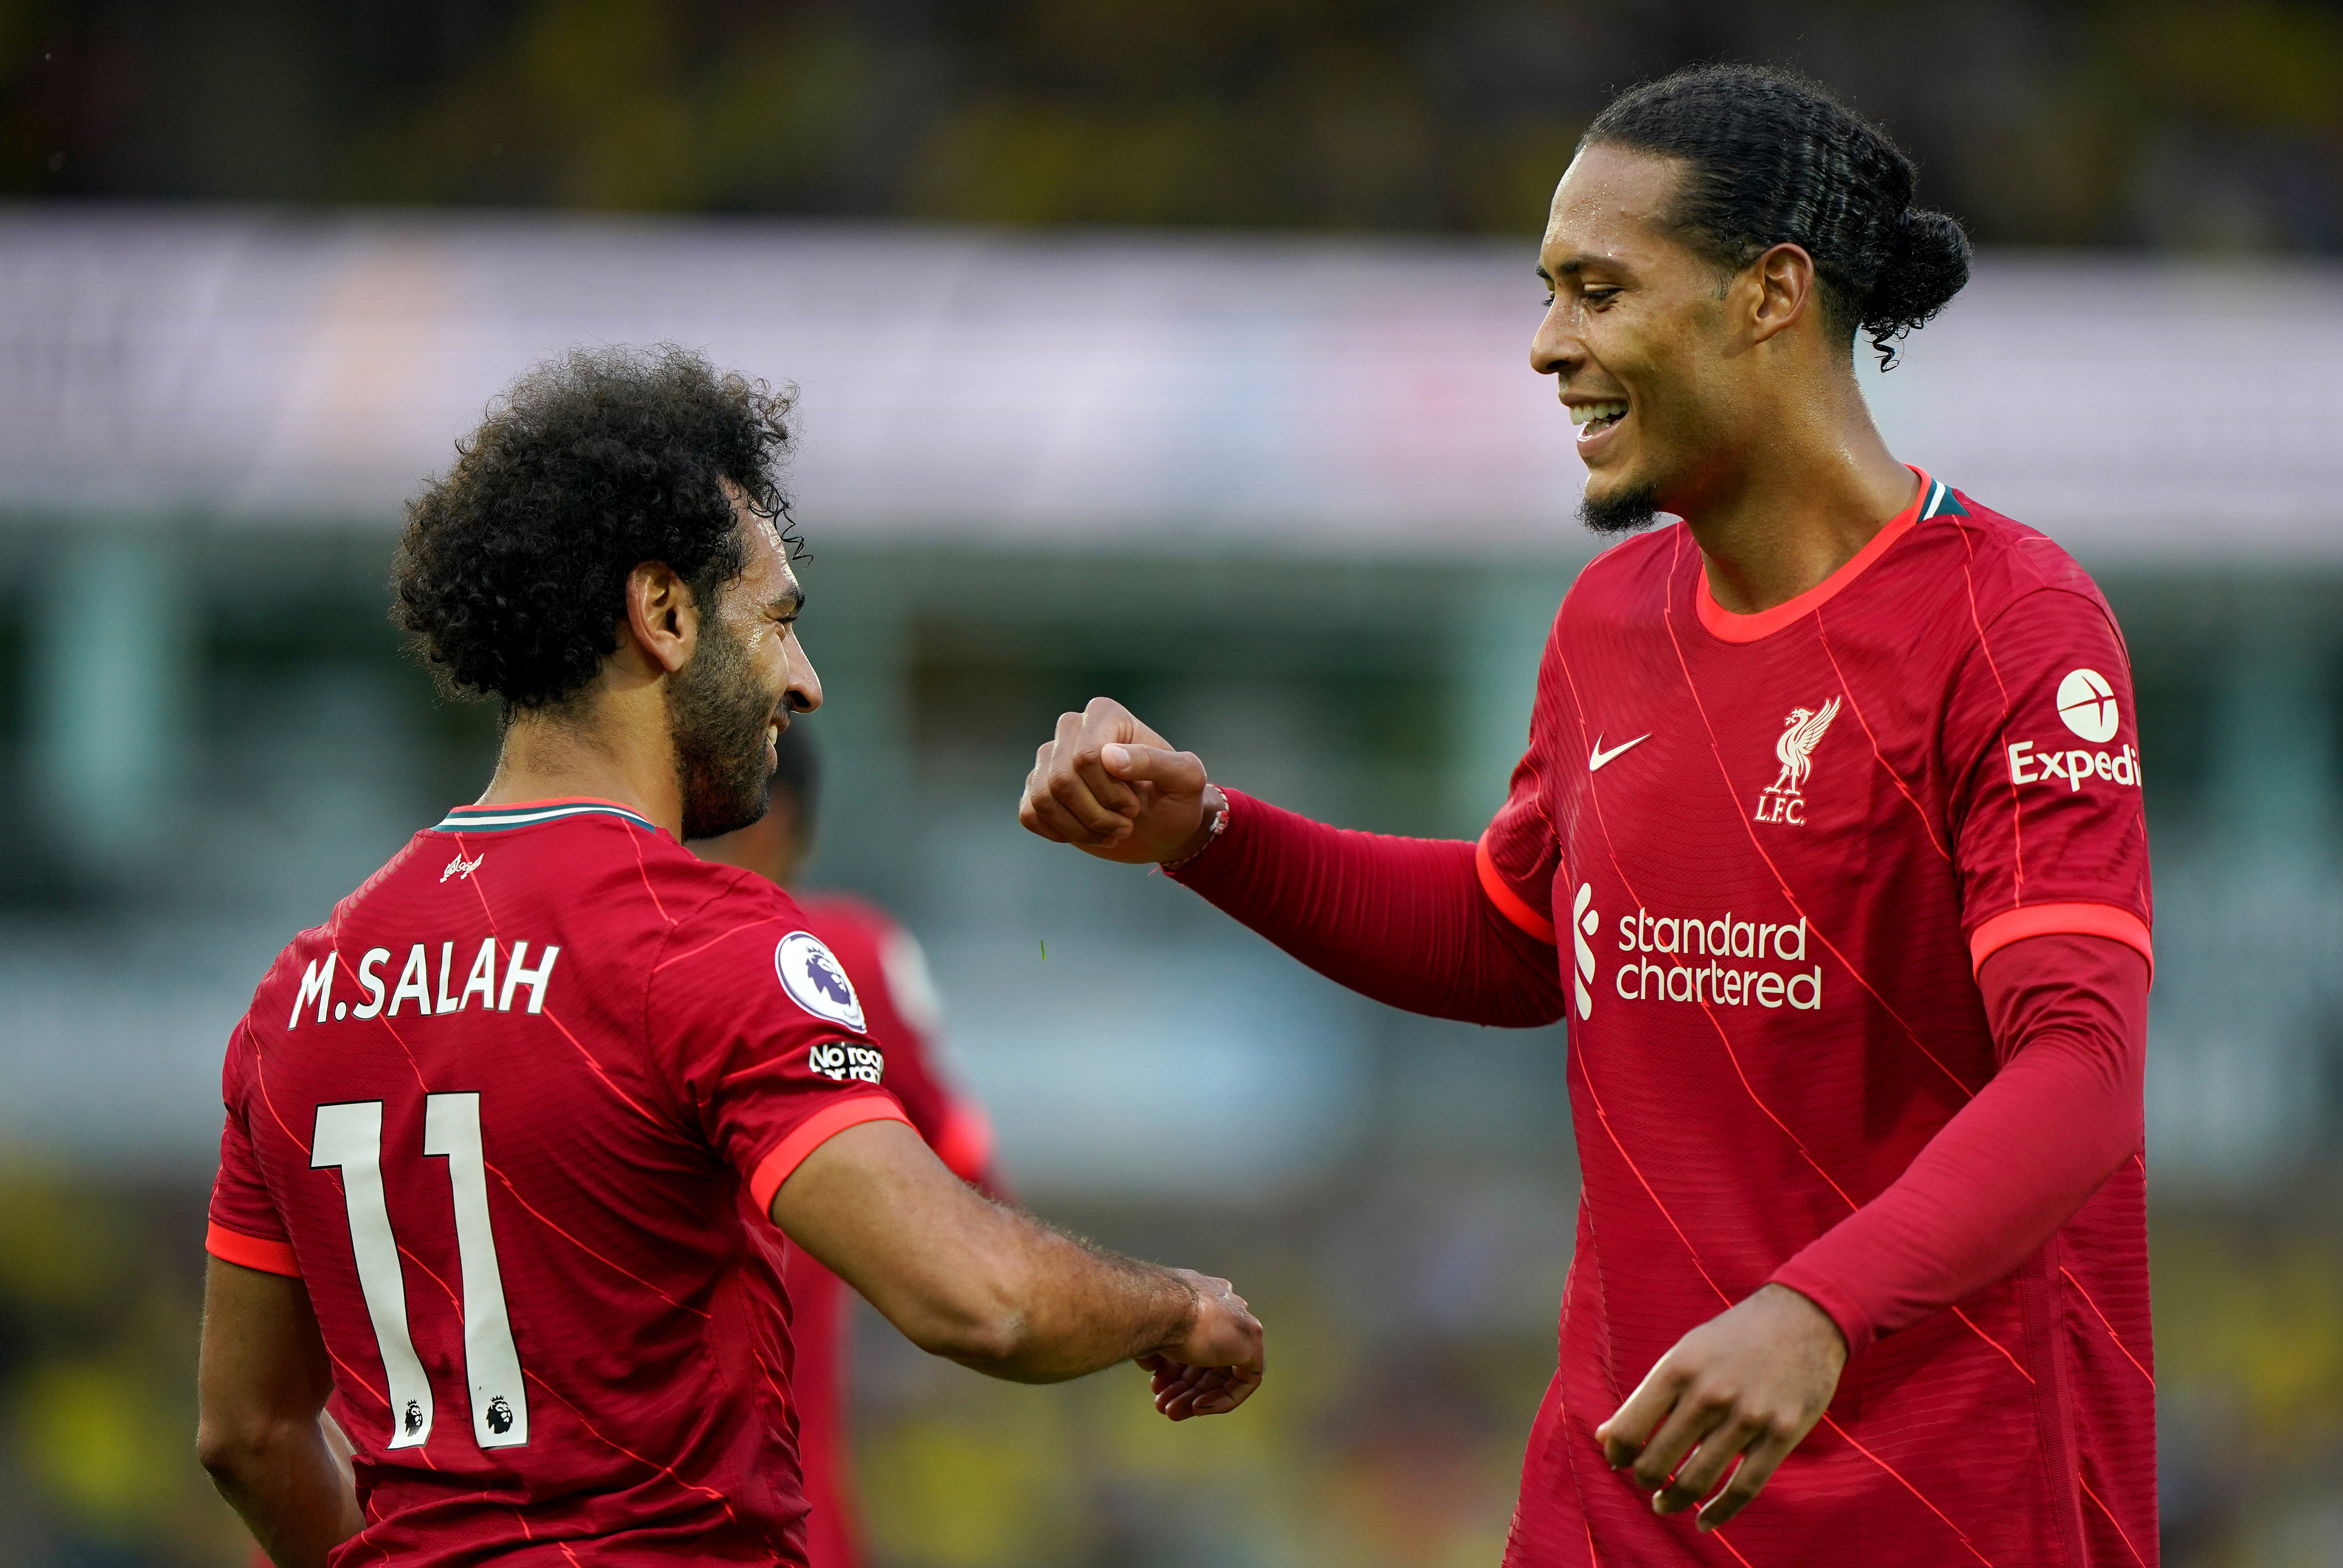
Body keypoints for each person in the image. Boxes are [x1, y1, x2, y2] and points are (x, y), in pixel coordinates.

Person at [1020, 65, 2152, 1567]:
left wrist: (1814, 1306)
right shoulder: (1611, 617)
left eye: (1598, 289)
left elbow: (2076, 1066)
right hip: (1623, 1501)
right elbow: (1514, 937)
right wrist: (1205, 833)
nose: (1549, 345)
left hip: (1941, 1500)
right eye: (1547, 291)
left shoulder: (2007, 625)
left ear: (1769, 295)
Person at [196, 344, 1263, 1568]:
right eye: (780, 622)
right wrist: (1176, 1303)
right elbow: (982, 1295)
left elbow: (246, 1431)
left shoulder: (301, 990)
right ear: (663, 615)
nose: (803, 684)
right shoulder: (699, 940)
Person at [698, 725, 1003, 1568]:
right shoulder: (841, 955)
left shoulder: (554, 960)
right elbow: (969, 1172)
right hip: (778, 1518)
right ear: (778, 816)